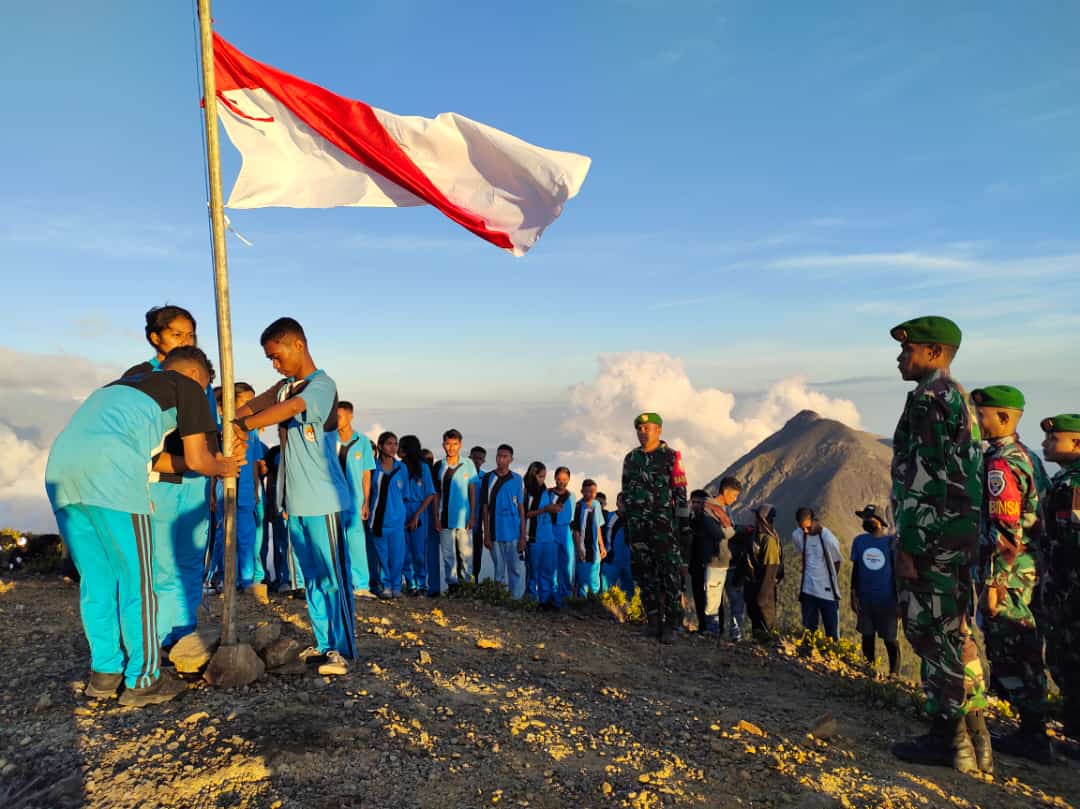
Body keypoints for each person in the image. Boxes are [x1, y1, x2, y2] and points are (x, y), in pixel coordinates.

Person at [46, 346, 241, 706]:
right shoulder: (187, 386)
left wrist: (203, 463)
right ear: (196, 375)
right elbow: (199, 459)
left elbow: (161, 460)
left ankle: (105, 674)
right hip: (113, 477)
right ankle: (144, 679)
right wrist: (223, 466)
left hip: (62, 474)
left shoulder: (118, 388)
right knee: (138, 581)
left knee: (97, 581)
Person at [888, 316, 986, 774]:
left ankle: (948, 739)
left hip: (931, 540)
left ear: (933, 353)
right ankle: (976, 737)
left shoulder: (929, 400)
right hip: (959, 537)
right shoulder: (960, 397)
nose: (899, 358)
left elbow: (923, 479)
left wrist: (909, 545)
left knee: (931, 634)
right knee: (957, 632)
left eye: (907, 350)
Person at [235, 317, 355, 677]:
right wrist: (231, 421)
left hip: (324, 499)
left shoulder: (321, 385)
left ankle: (342, 649)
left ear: (298, 345)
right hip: (295, 500)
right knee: (312, 577)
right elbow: (255, 405)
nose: (275, 364)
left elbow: (291, 409)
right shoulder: (284, 386)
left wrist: (245, 426)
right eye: (270, 359)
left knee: (332, 576)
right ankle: (324, 641)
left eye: (277, 355)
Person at [122, 305, 217, 649]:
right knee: (160, 565)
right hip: (159, 480)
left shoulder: (199, 376)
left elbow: (208, 429)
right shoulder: (141, 376)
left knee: (190, 561)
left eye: (190, 335)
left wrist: (212, 475)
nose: (185, 341)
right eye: (177, 334)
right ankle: (158, 638)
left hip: (195, 480)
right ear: (155, 337)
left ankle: (184, 634)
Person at [970, 386, 1051, 763]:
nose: (976, 421)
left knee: (1014, 647)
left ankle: (1033, 734)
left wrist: (995, 583)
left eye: (981, 415)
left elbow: (1005, 531)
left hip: (1011, 574)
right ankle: (1032, 728)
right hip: (1031, 570)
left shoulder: (1001, 464)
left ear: (1003, 418)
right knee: (1027, 646)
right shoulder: (1028, 456)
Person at [621, 412, 690, 645]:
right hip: (638, 528)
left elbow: (681, 496)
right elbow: (626, 494)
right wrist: (629, 527)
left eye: (647, 428)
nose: (643, 432)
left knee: (670, 576)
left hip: (664, 528)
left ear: (659, 430)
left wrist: (683, 530)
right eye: (639, 429)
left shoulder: (671, 457)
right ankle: (653, 622)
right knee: (644, 574)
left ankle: (672, 624)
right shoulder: (631, 459)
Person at [1039, 413, 1080, 747]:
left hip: (1072, 593)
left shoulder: (1073, 486)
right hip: (1065, 590)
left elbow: (1072, 543)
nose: (1046, 444)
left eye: (1054, 439)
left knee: (1072, 661)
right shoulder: (1064, 480)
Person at [210, 383, 266, 594]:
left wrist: (255, 488)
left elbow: (254, 463)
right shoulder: (219, 428)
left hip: (246, 490)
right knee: (225, 535)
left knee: (247, 537)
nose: (251, 405)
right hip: (224, 488)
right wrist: (212, 490)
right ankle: (227, 579)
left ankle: (247, 580)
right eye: (246, 401)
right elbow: (212, 462)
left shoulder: (252, 430)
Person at [850, 505, 901, 677]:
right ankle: (868, 669)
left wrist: (900, 601)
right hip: (865, 598)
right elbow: (856, 569)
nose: (864, 521)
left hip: (888, 600)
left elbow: (897, 572)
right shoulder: (859, 541)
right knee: (867, 635)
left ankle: (894, 674)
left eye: (868, 518)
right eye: (863, 518)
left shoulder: (890, 543)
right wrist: (853, 593)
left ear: (879, 521)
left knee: (890, 639)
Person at [334, 401, 377, 599]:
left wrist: (366, 501)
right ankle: (339, 583)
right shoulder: (329, 439)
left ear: (350, 416)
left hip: (355, 499)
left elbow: (366, 473)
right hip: (333, 499)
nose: (337, 420)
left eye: (340, 416)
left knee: (356, 542)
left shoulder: (363, 441)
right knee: (335, 542)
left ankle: (361, 584)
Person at [690, 480, 739, 635]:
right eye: (734, 495)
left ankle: (717, 631)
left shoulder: (723, 509)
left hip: (724, 560)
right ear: (726, 492)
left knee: (718, 598)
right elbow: (723, 534)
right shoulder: (709, 509)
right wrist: (729, 526)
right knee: (712, 598)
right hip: (714, 560)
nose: (735, 499)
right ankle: (712, 630)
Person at [433, 429, 478, 592]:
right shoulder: (439, 466)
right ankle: (452, 585)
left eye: (455, 444)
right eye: (448, 444)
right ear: (443, 445)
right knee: (448, 555)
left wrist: (472, 515)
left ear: (460, 445)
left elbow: (472, 490)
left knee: (466, 554)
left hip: (464, 517)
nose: (451, 447)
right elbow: (436, 494)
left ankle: (466, 585)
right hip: (444, 516)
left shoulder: (468, 464)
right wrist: (436, 517)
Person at [792, 507, 842, 641]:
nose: (805, 531)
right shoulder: (797, 535)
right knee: (809, 632)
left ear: (814, 520)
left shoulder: (828, 539)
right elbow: (802, 553)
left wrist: (830, 579)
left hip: (827, 593)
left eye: (808, 527)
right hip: (808, 590)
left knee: (832, 635)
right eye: (802, 528)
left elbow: (837, 561)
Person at [482, 444, 526, 597]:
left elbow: (521, 508)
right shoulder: (488, 478)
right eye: (499, 456)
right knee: (499, 570)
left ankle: (515, 601)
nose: (501, 459)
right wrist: (486, 534)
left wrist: (523, 535)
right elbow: (485, 508)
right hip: (495, 533)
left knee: (515, 570)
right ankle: (500, 600)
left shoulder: (517, 479)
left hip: (514, 533)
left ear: (511, 459)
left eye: (505, 456)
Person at [369, 432, 408, 598]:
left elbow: (404, 493)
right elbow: (369, 492)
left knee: (397, 555)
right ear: (380, 446)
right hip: (378, 519)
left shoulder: (401, 468)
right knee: (382, 556)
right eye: (389, 444)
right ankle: (386, 586)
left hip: (397, 518)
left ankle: (397, 587)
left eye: (395, 444)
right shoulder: (373, 467)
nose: (393, 447)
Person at [399, 435, 436, 595]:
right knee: (404, 551)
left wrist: (416, 516)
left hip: (418, 509)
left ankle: (422, 584)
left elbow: (430, 494)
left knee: (419, 550)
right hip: (401, 508)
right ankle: (410, 584)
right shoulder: (399, 467)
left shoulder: (423, 468)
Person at [744, 503, 783, 641]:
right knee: (755, 619)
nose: (754, 519)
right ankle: (758, 643)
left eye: (757, 516)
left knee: (766, 621)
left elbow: (771, 569)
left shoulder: (769, 540)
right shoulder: (756, 535)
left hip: (764, 587)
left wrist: (763, 595)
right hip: (753, 585)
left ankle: (770, 646)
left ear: (763, 518)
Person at [524, 462, 560, 608]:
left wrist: (554, 509)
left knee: (547, 569)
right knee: (533, 570)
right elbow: (525, 513)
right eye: (540, 476)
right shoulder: (526, 491)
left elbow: (547, 509)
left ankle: (545, 600)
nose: (542, 479)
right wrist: (545, 509)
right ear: (533, 475)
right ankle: (532, 599)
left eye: (544, 476)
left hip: (548, 535)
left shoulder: (545, 490)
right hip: (533, 536)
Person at [573, 479, 606, 597]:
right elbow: (576, 530)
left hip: (595, 550)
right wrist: (579, 549)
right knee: (583, 580)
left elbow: (598, 527)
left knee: (595, 581)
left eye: (594, 492)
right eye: (589, 491)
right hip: (583, 549)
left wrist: (602, 546)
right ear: (582, 491)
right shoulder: (578, 506)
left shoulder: (597, 505)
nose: (592, 494)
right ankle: (582, 603)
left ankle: (594, 602)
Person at [550, 467, 577, 600]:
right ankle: (553, 595)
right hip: (550, 530)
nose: (562, 482)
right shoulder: (548, 493)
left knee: (567, 563)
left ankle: (566, 595)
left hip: (566, 532)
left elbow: (573, 518)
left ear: (569, 479)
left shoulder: (571, 496)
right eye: (559, 479)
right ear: (555, 478)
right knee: (552, 564)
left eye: (565, 479)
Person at [601, 494, 634, 596]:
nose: (623, 504)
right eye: (621, 501)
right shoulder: (608, 517)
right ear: (616, 503)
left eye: (626, 501)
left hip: (629, 563)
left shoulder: (634, 520)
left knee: (630, 595)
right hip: (611, 561)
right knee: (606, 594)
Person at [469, 445, 490, 581]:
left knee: (477, 556)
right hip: (464, 524)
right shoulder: (463, 475)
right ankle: (462, 584)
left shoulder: (485, 477)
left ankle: (474, 582)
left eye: (480, 459)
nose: (477, 461)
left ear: (483, 461)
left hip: (478, 525)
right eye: (474, 458)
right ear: (470, 458)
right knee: (462, 556)